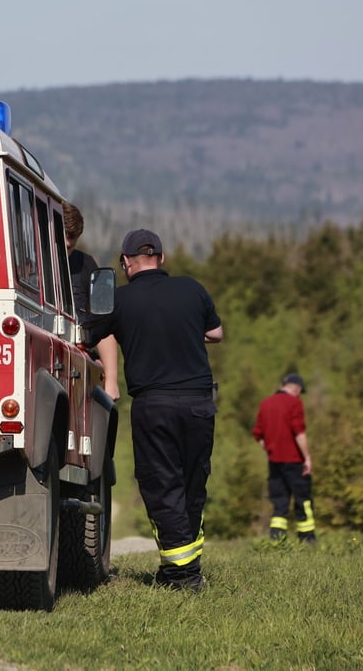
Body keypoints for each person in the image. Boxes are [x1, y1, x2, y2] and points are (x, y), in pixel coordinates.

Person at [82, 228, 222, 592]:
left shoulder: (121, 301)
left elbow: (86, 336)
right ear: (161, 258)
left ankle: (183, 576)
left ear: (127, 263)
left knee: (163, 486)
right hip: (199, 403)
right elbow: (217, 333)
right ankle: (184, 568)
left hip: (155, 405)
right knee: (192, 484)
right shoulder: (192, 288)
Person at [63, 202, 120, 401]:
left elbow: (104, 323)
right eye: (61, 240)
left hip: (79, 361)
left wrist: (111, 380)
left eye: (72, 243)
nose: (66, 247)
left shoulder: (86, 265)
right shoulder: (27, 262)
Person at [252, 373, 315, 544]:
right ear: (296, 387)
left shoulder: (266, 403)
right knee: (303, 499)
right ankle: (307, 539)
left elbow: (258, 434)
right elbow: (299, 433)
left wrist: (270, 450)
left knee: (279, 501)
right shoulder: (294, 402)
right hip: (294, 460)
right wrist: (307, 458)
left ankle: (277, 539)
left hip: (275, 462)